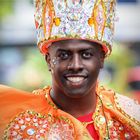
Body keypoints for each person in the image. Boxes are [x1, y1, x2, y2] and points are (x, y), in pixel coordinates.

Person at [0, 0, 140, 139]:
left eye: (86, 54)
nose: (75, 65)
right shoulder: (22, 126)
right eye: (64, 55)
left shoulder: (129, 118)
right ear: (48, 60)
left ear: (101, 58)